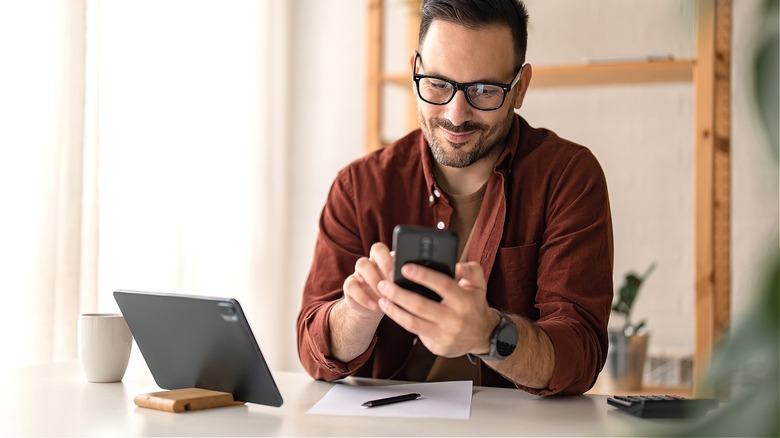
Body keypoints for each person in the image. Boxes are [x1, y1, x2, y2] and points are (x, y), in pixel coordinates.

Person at [296, 0, 613, 396]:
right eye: (438, 84)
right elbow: (313, 351)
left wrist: (491, 335)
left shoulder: (567, 178)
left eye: (484, 90)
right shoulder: (360, 186)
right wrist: (356, 314)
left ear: (520, 88)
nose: (456, 114)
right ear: (415, 67)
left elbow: (580, 354)